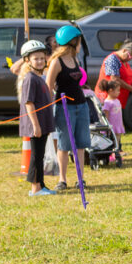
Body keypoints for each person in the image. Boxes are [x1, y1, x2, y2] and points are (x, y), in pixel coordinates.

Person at [45, 25, 91, 192]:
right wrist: (47, 109)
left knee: (81, 143)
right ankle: (62, 180)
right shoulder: (56, 62)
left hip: (81, 105)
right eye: (79, 41)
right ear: (73, 42)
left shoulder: (75, 59)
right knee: (64, 144)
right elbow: (48, 86)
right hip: (64, 107)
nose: (80, 44)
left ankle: (81, 178)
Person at [16, 39, 56, 197]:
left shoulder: (39, 77)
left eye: (42, 58)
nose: (40, 61)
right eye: (35, 58)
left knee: (40, 156)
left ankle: (41, 185)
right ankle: (35, 188)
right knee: (36, 156)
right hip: (36, 124)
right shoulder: (30, 79)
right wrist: (36, 126)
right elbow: (29, 103)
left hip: (43, 123)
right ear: (27, 60)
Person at [95, 39, 132, 111]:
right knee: (109, 121)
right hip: (107, 98)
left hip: (117, 99)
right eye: (130, 56)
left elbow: (126, 76)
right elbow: (115, 79)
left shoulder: (123, 61)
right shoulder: (112, 60)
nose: (130, 59)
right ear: (124, 50)